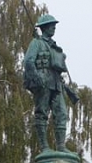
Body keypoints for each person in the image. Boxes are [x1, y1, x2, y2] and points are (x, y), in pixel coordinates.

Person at [23, 13, 70, 153]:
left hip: (56, 82)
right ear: (45, 27)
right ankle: (44, 148)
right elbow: (28, 61)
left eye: (54, 26)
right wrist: (37, 77)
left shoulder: (55, 47)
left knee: (61, 113)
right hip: (43, 80)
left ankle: (61, 146)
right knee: (41, 113)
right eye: (51, 26)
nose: (54, 28)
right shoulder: (37, 43)